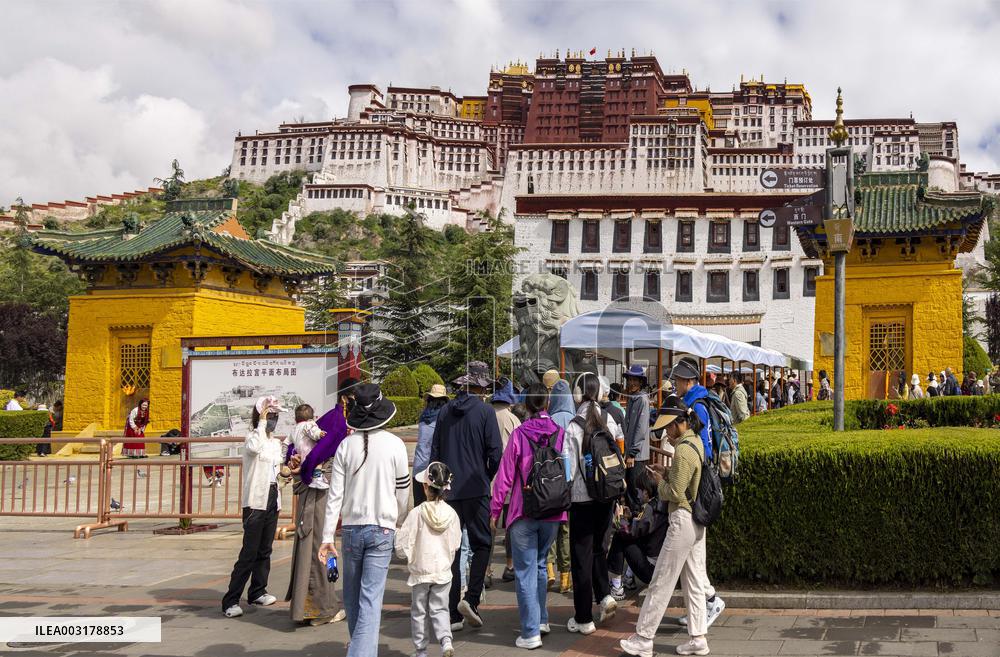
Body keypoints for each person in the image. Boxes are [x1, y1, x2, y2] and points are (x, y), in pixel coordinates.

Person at [319, 383, 409, 657]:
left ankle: (359, 648)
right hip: (383, 529)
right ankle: (361, 651)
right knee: (371, 598)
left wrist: (326, 538)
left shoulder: (346, 446)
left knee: (352, 596)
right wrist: (399, 521)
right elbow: (403, 494)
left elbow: (334, 496)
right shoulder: (396, 445)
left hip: (351, 530)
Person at [620, 395, 712, 657]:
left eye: (667, 427)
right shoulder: (695, 442)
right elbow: (687, 480)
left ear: (677, 423)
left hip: (682, 518)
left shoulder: (683, 448)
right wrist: (667, 473)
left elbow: (674, 491)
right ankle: (698, 638)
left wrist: (660, 481)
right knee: (694, 582)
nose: (666, 434)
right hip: (697, 520)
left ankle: (644, 637)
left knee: (661, 579)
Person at [489, 383, 568, 649]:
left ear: (526, 405)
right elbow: (567, 472)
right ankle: (542, 618)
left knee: (524, 571)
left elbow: (505, 476)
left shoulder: (520, 434)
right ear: (546, 403)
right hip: (554, 510)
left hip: (524, 510)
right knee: (541, 564)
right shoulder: (560, 433)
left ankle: (531, 631)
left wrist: (495, 509)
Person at [429, 361, 503, 631]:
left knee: (453, 549)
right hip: (476, 488)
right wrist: (485, 474)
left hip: (448, 490)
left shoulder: (445, 411)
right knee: (483, 544)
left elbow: (434, 453)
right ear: (481, 387)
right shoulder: (485, 412)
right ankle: (471, 599)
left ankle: (453, 613)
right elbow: (495, 452)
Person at [668, 358, 725, 630]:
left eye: (678, 380)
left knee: (694, 552)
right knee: (694, 553)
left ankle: (709, 601)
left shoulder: (697, 407)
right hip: (700, 485)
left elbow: (701, 448)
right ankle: (701, 607)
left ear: (688, 381)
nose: (675, 384)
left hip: (698, 487)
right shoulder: (701, 401)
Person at [563, 372, 621, 635]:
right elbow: (619, 447)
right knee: (599, 548)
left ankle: (584, 617)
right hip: (606, 495)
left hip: (581, 499)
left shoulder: (573, 425)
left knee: (581, 557)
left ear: (577, 395)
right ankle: (606, 596)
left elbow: (568, 470)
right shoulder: (609, 418)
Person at [223, 395, 287, 618]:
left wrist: (286, 474)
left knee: (265, 549)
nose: (274, 420)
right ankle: (231, 600)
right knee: (249, 552)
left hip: (272, 496)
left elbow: (278, 468)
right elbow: (254, 448)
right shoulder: (252, 437)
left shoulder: (275, 442)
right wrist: (260, 422)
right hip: (255, 501)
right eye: (271, 416)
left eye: (276, 416)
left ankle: (257, 591)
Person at [284, 403, 344, 627]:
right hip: (320, 507)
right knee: (321, 553)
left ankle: (314, 607)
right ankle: (321, 610)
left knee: (314, 552)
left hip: (315, 505)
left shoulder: (302, 452)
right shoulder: (325, 455)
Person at [397, 462, 462, 657]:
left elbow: (403, 545)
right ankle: (446, 641)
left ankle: (421, 650)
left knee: (419, 612)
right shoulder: (452, 514)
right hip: (442, 570)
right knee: (440, 608)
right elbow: (456, 543)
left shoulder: (416, 513)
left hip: (420, 571)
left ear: (426, 486)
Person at [609, 468, 668, 599]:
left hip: (651, 570)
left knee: (619, 537)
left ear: (646, 492)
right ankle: (628, 578)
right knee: (627, 537)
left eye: (638, 491)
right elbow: (644, 525)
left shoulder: (650, 509)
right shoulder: (660, 503)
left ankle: (617, 586)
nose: (637, 495)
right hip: (660, 566)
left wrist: (620, 520)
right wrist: (632, 516)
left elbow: (631, 532)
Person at [489, 377, 521, 586]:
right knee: (511, 526)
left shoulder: (484, 415)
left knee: (488, 526)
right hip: (509, 482)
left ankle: (486, 568)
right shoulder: (514, 420)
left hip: (488, 480)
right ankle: (509, 566)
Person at [545, 379, 574, 594]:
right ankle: (565, 577)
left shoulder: (549, 420)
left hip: (549, 482)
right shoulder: (574, 421)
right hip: (569, 483)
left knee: (550, 527)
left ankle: (549, 571)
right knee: (566, 529)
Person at [414, 384, 449, 507]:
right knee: (434, 507)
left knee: (419, 507)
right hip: (433, 469)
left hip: (418, 466)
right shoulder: (443, 418)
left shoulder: (423, 417)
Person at [622, 365, 651, 512]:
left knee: (635, 491)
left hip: (637, 456)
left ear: (641, 382)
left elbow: (640, 429)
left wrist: (632, 453)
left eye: (635, 380)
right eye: (630, 379)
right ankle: (630, 525)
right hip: (630, 453)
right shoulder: (633, 398)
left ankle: (637, 523)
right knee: (629, 489)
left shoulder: (642, 400)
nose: (631, 383)